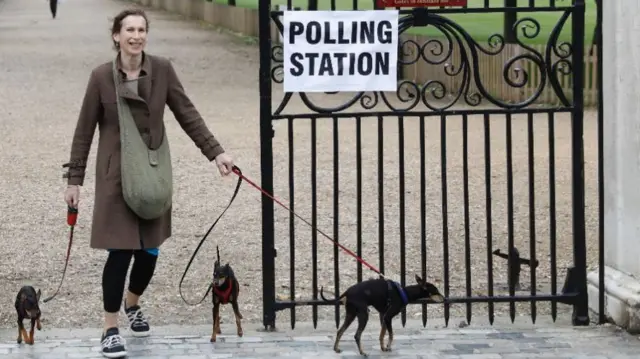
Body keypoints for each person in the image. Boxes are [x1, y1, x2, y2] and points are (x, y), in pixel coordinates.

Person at [62, 8, 234, 359]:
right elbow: (84, 132)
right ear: (116, 35)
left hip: (154, 171)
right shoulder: (100, 78)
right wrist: (74, 180)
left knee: (149, 250)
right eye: (129, 30)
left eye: (141, 30)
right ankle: (110, 327)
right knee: (120, 250)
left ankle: (132, 303)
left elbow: (188, 114)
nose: (136, 36)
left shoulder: (163, 70)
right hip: (116, 176)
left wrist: (216, 153)